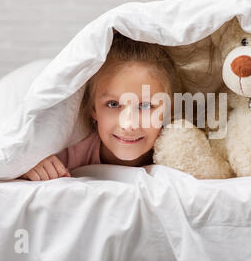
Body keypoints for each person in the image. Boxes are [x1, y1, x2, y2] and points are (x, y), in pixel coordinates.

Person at [20, 32, 180, 181]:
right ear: (94, 109)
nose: (128, 124)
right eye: (113, 104)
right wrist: (29, 165)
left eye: (145, 106)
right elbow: (15, 155)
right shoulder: (69, 151)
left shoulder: (176, 152)